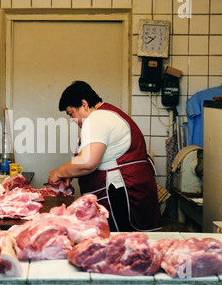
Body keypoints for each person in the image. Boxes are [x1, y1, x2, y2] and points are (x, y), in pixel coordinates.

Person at [48, 81, 161, 232]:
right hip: (129, 191)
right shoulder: (107, 114)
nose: (71, 120)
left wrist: (58, 173)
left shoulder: (97, 118)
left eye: (71, 113)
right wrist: (71, 173)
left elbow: (88, 162)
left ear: (84, 104)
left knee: (121, 245)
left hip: (123, 194)